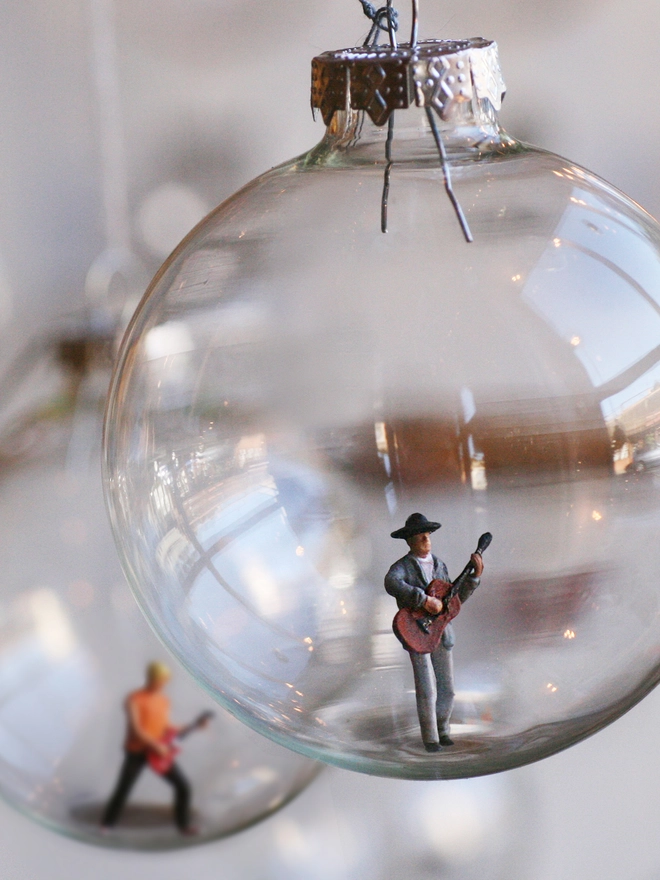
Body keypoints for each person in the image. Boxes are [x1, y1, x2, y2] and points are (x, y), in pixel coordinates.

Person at [384, 513, 484, 752]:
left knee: (447, 688)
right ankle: (430, 738)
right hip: (416, 631)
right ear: (409, 540)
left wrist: (474, 577)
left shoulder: (439, 565)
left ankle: (443, 729)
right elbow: (391, 582)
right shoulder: (403, 567)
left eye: (427, 535)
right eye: (420, 536)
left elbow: (453, 600)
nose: (425, 540)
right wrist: (423, 600)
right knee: (426, 689)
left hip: (441, 632)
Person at [101, 661, 198, 834]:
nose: (162, 684)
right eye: (159, 680)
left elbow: (164, 725)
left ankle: (184, 826)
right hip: (137, 750)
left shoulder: (163, 700)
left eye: (164, 681)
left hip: (158, 752)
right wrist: (155, 745)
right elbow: (137, 729)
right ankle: (107, 825)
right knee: (124, 788)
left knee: (183, 786)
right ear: (151, 678)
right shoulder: (135, 698)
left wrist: (189, 727)